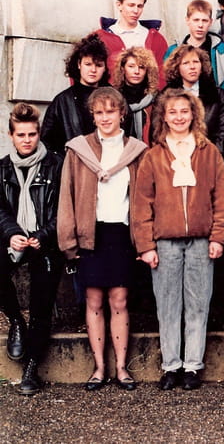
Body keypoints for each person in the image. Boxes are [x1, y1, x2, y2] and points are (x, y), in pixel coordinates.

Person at [132, 88, 224, 391]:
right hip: (166, 242)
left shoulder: (208, 152)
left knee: (198, 303)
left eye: (184, 111)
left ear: (194, 114)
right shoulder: (154, 155)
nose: (178, 117)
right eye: (172, 112)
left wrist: (218, 236)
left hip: (200, 241)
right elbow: (141, 204)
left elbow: (221, 197)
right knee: (168, 305)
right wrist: (146, 246)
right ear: (164, 116)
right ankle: (171, 365)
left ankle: (192, 366)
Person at [57, 87, 148, 392]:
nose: (105, 118)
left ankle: (121, 368)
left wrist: (144, 241)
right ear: (92, 116)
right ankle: (99, 368)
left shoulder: (136, 151)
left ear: (122, 113)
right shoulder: (78, 150)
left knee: (119, 300)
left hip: (120, 233)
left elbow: (145, 199)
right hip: (90, 233)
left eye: (111, 111)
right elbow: (67, 197)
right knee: (94, 300)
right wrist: (68, 241)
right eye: (99, 112)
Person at [0, 104, 64, 395]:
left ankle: (31, 367)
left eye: (32, 134)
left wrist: (43, 235)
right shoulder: (3, 168)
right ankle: (16, 320)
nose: (27, 140)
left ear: (39, 134)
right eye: (21, 135)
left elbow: (64, 209)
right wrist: (12, 233)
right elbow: (0, 209)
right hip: (15, 238)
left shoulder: (56, 164)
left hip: (45, 240)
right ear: (11, 136)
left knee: (41, 303)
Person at [41, 33, 110, 155]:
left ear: (104, 68)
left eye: (98, 65)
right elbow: (47, 143)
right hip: (73, 164)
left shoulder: (115, 98)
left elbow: (128, 136)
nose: (93, 70)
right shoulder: (62, 101)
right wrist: (64, 162)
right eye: (88, 64)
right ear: (79, 64)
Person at [162, 45, 224, 156]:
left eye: (195, 62)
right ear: (177, 67)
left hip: (210, 157)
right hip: (175, 158)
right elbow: (158, 134)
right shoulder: (165, 97)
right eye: (186, 63)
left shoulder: (219, 95)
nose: (192, 67)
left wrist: (204, 158)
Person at [95, 0, 168, 88]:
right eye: (131, 5)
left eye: (140, 6)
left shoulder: (156, 39)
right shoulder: (101, 37)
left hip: (147, 97)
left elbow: (163, 76)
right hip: (110, 97)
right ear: (119, 5)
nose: (135, 10)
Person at [164, 0, 224, 99]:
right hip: (183, 102)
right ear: (187, 20)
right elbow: (166, 79)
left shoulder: (220, 48)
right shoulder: (174, 50)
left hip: (214, 102)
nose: (200, 25)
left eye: (204, 21)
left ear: (210, 22)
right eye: (196, 20)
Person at [110, 47, 159, 143]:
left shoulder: (155, 98)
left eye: (141, 67)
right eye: (131, 66)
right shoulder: (113, 97)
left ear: (147, 71)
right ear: (122, 69)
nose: (136, 71)